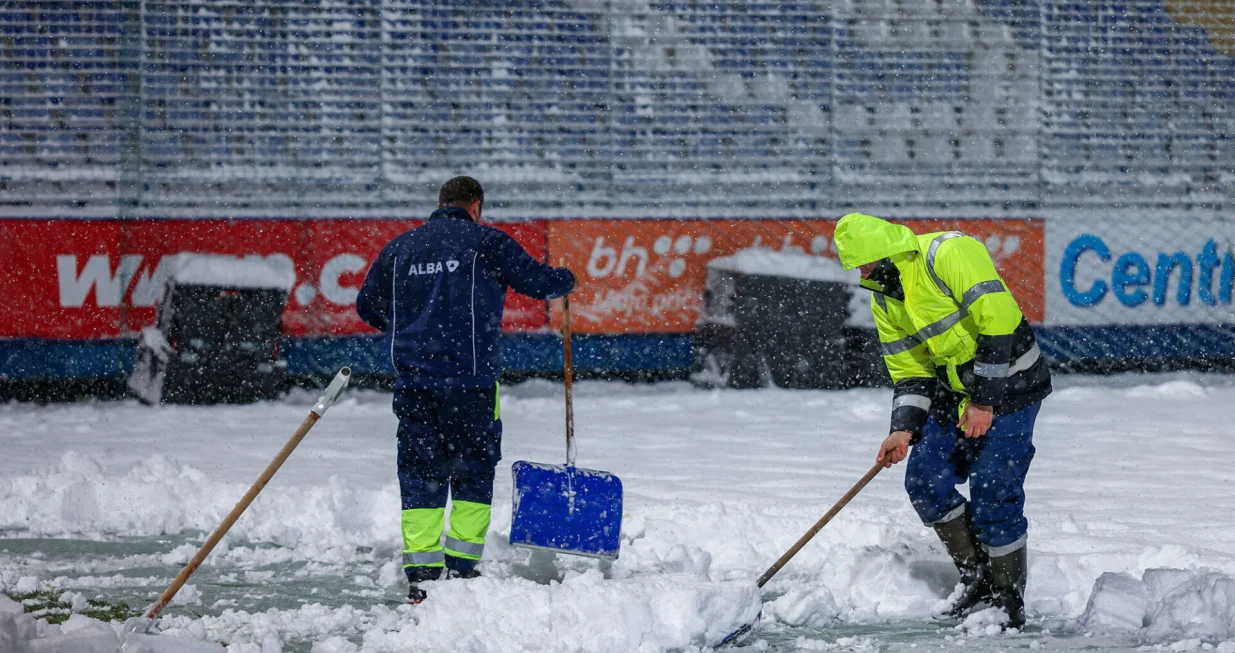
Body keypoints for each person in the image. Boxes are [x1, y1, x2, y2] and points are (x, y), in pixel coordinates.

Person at [355, 176, 575, 603]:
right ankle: (461, 568)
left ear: (441, 204)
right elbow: (538, 282)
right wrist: (566, 279)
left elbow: (367, 305)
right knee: (472, 470)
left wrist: (410, 330)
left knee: (421, 472)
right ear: (475, 206)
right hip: (471, 383)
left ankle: (422, 573)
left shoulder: (401, 248)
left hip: (416, 382)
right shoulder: (486, 242)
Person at [833, 213, 1051, 628]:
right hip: (954, 396)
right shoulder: (885, 297)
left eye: (864, 263)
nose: (862, 273)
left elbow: (999, 320)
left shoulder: (949, 253)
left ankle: (1007, 600)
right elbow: (910, 370)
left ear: (889, 253)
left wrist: (984, 402)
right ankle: (980, 579)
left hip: (1011, 387)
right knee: (925, 482)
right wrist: (903, 427)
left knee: (993, 489)